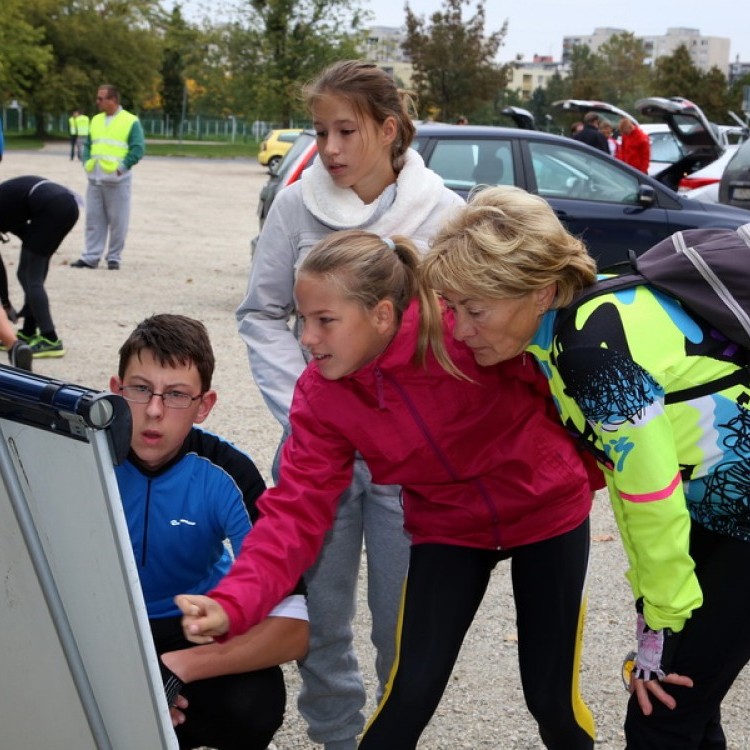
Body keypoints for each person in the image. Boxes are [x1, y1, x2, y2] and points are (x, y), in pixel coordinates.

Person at [179, 229, 599, 750]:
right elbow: (293, 513)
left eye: (324, 321)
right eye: (302, 320)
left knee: (551, 700)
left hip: (546, 514)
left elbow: (563, 383)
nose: (306, 338)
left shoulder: (461, 331)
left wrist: (583, 473)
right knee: (407, 698)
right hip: (448, 528)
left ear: (381, 315)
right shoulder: (321, 395)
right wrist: (233, 602)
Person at [419, 184, 750, 750]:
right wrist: (654, 605)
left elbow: (649, 493)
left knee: (662, 714)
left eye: (475, 310)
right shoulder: (573, 330)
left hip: (734, 520)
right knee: (690, 708)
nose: (462, 329)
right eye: (453, 309)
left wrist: (663, 616)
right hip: (722, 512)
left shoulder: (586, 350)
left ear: (541, 290)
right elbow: (634, 479)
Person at [235, 59, 463, 750]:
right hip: (318, 452)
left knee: (403, 617)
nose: (328, 149)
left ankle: (393, 737)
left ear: (388, 129)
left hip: (410, 462)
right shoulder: (296, 202)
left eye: (345, 131)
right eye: (319, 131)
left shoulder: (446, 214)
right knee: (322, 616)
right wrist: (303, 412)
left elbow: (461, 334)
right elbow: (261, 312)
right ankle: (335, 737)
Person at [110, 313, 309, 750]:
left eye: (177, 395)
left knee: (252, 704)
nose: (155, 410)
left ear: (205, 405)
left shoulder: (227, 473)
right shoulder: (79, 456)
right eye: (140, 389)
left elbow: (296, 628)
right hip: (103, 626)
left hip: (192, 628)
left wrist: (177, 668)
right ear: (115, 390)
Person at [0, 175, 80, 359]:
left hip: (51, 208)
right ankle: (28, 331)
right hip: (66, 204)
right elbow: (27, 235)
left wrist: (5, 303)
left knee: (29, 275)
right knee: (29, 272)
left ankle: (50, 339)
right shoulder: (6, 206)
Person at [71, 84, 144, 270]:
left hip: (117, 180)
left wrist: (121, 168)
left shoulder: (130, 121)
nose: (97, 102)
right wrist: (86, 162)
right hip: (95, 179)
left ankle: (114, 257)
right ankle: (90, 257)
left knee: (118, 221)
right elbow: (88, 144)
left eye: (100, 98)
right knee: (93, 219)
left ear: (113, 100)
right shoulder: (95, 120)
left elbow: (138, 148)